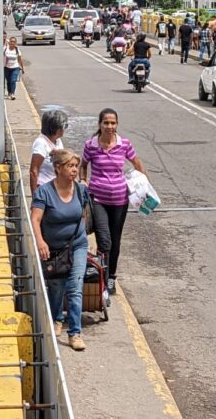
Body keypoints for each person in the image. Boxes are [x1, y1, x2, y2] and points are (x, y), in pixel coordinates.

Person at [80, 109, 147, 296]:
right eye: (106, 123)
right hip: (98, 200)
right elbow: (83, 165)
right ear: (100, 124)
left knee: (115, 240)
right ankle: (102, 276)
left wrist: (143, 186)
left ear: (117, 124)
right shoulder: (91, 145)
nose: (109, 126)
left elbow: (137, 164)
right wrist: (83, 180)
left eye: (113, 123)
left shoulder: (124, 144)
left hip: (119, 201)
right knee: (104, 240)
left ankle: (111, 277)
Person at [31, 149, 89, 351]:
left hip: (77, 245)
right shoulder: (44, 192)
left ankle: (75, 333)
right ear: (57, 168)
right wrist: (40, 241)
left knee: (75, 287)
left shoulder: (80, 190)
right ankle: (56, 318)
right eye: (70, 166)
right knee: (56, 288)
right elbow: (35, 219)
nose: (74, 170)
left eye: (76, 166)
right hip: (54, 249)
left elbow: (83, 215)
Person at [30, 110, 68, 195]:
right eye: (64, 126)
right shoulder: (41, 143)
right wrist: (35, 196)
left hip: (56, 187)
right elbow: (34, 171)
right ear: (56, 128)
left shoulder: (58, 141)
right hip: (44, 188)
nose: (65, 129)